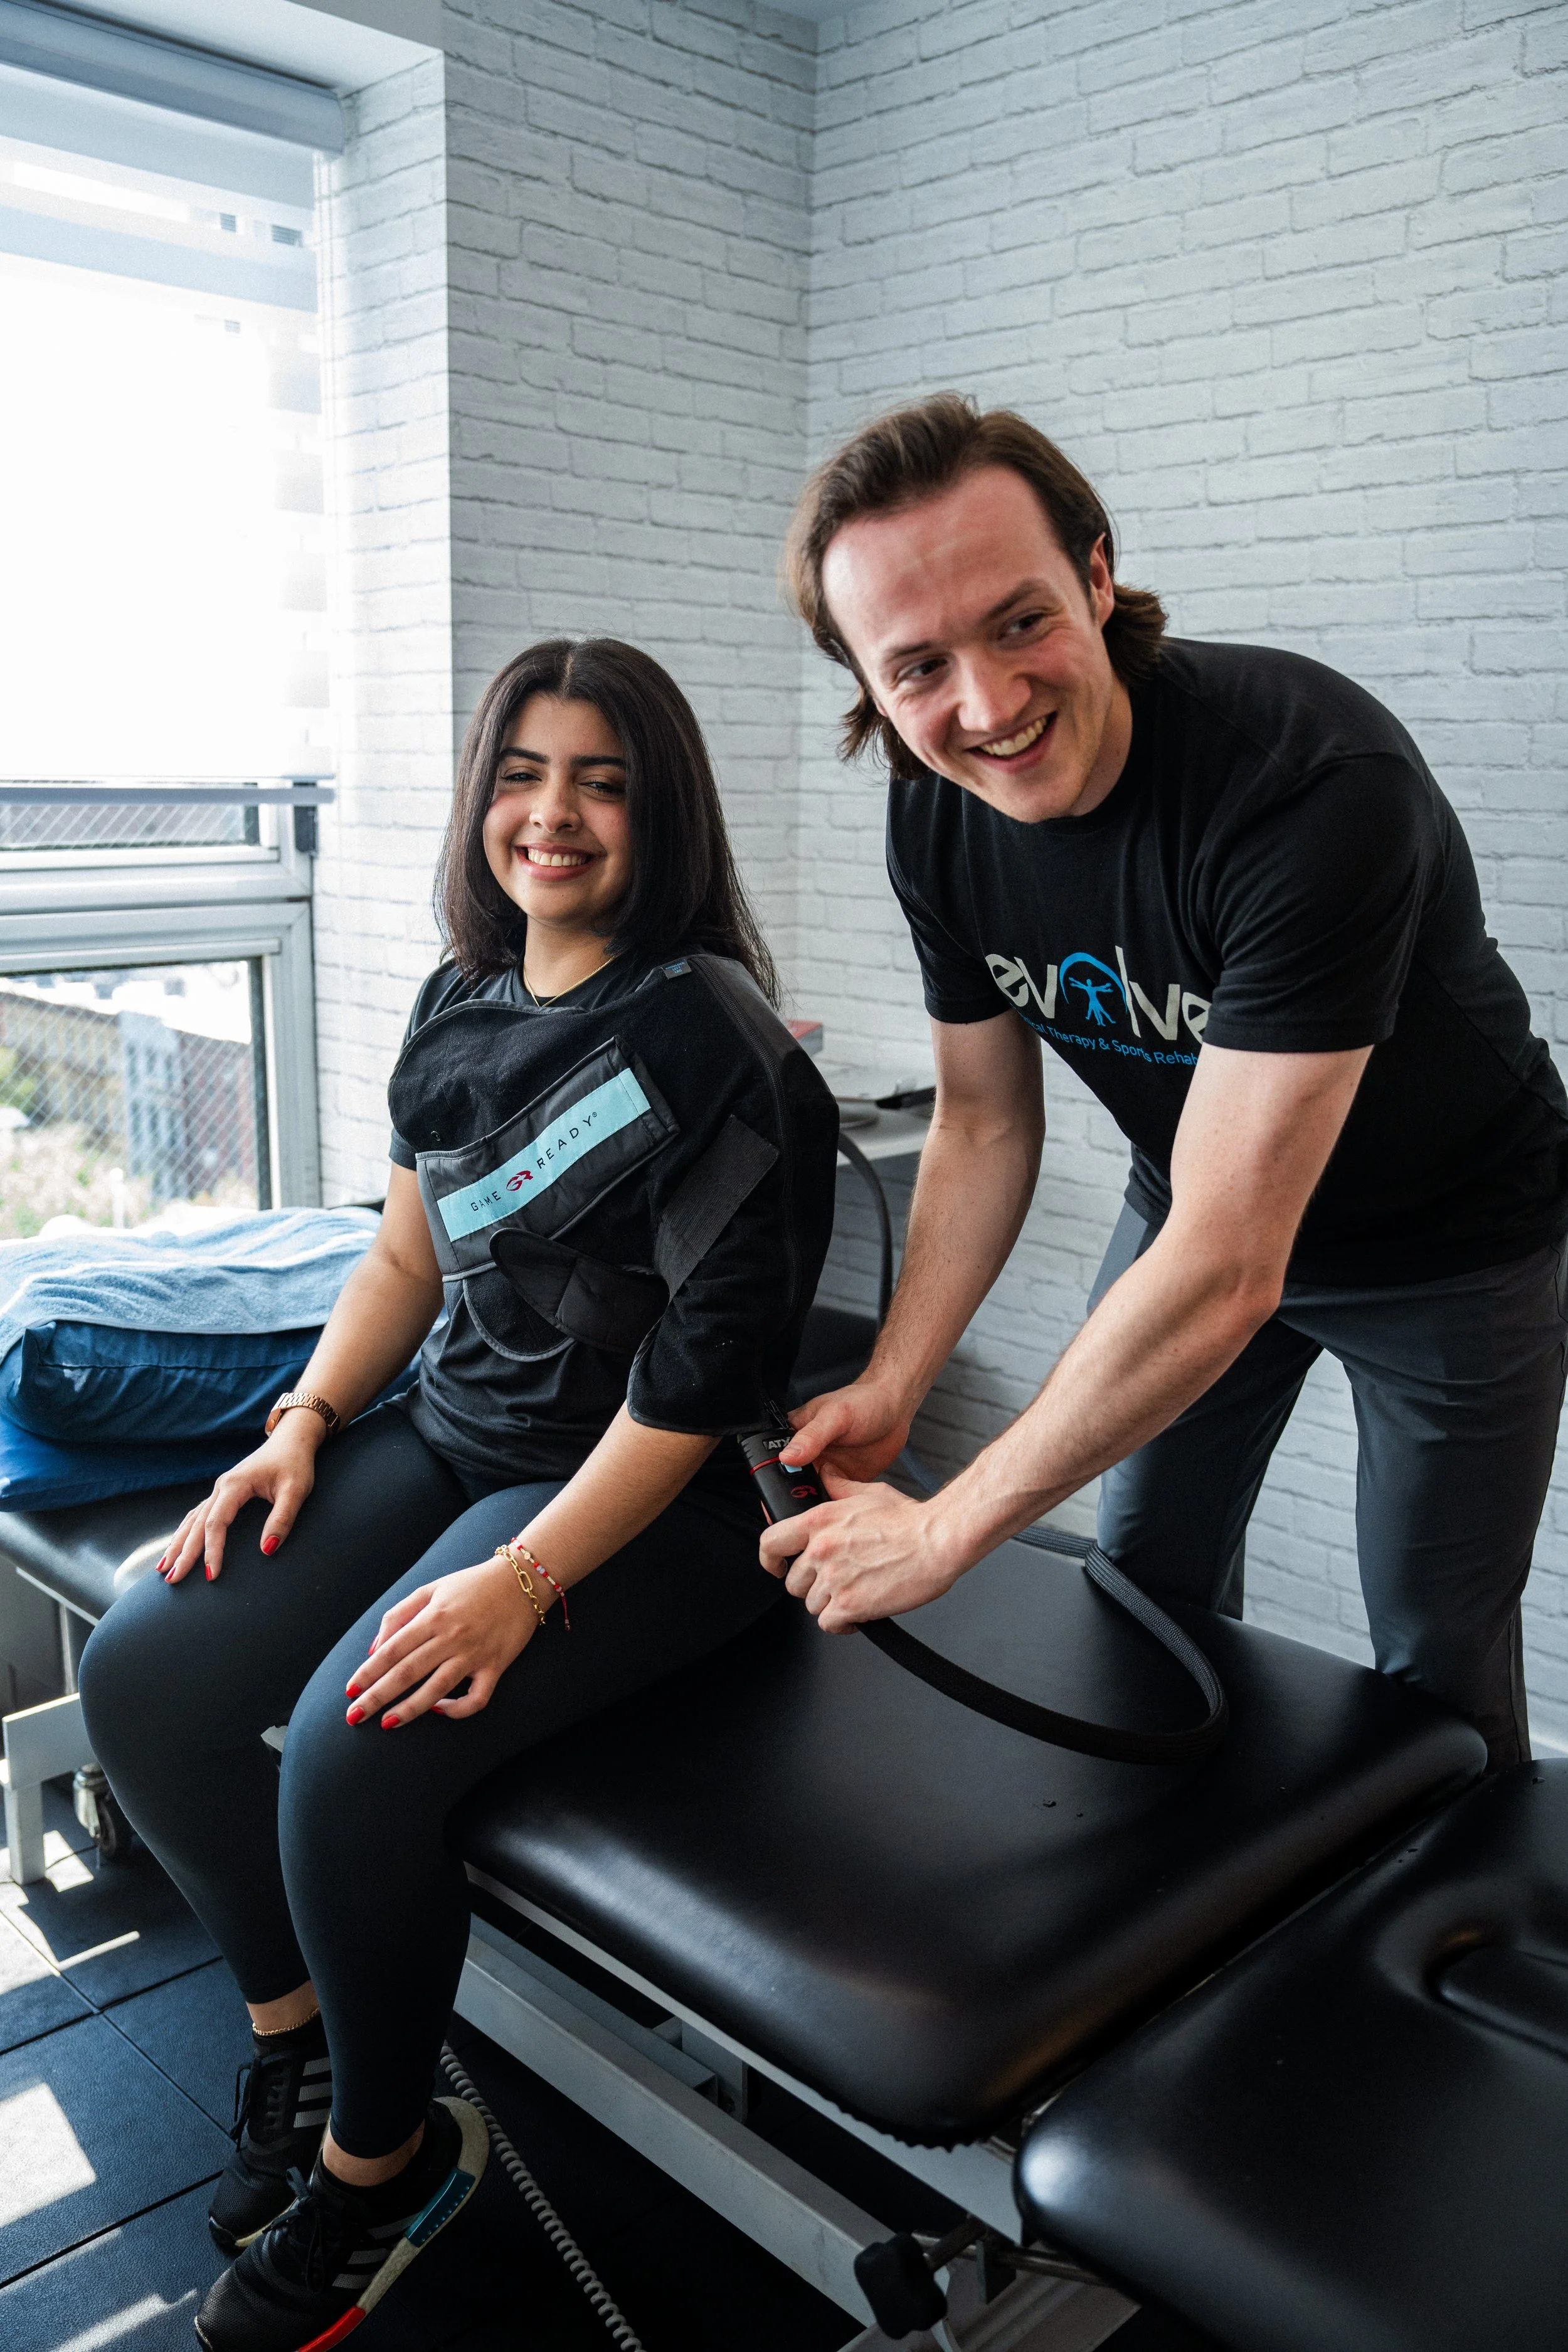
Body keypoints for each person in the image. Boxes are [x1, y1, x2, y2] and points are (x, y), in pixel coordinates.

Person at [78, 637, 837, 2352]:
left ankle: (386, 2154)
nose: (551, 813)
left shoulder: (711, 1037)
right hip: (450, 1429)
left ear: (660, 814)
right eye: (522, 771)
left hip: (665, 1496)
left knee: (356, 1737)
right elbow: (410, 1246)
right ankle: (295, 2035)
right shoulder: (458, 994)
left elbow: (698, 1383)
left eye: (601, 779)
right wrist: (301, 1419)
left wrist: (523, 1583)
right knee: (146, 1669)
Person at [765, 392, 1568, 1774]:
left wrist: (947, 1523)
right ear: (866, 682)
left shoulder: (1308, 783)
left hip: (1452, 1242)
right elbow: (983, 1117)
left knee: (1432, 1662)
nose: (987, 707)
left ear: (1095, 572)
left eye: (1020, 621)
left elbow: (1225, 1265)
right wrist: (897, 1384)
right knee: (1139, 1583)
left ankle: (1437, 1952)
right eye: (917, 670)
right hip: (1191, 1199)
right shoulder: (931, 806)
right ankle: (1181, 1919)